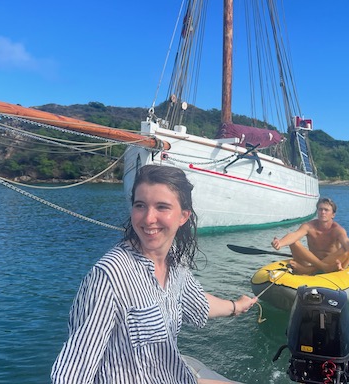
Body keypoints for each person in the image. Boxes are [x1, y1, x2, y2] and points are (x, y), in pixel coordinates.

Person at [51, 165, 257, 384]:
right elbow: (73, 373)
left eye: (162, 207)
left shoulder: (174, 261)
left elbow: (197, 304)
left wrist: (236, 306)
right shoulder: (109, 277)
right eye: (140, 205)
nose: (148, 218)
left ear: (183, 216)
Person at [271, 197, 349, 275]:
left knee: (346, 250)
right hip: (313, 262)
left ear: (333, 215)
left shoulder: (337, 229)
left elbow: (347, 241)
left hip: (333, 264)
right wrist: (280, 242)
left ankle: (309, 270)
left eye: (326, 210)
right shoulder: (308, 226)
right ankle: (322, 267)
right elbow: (295, 235)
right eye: (320, 209)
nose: (323, 212)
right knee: (293, 241)